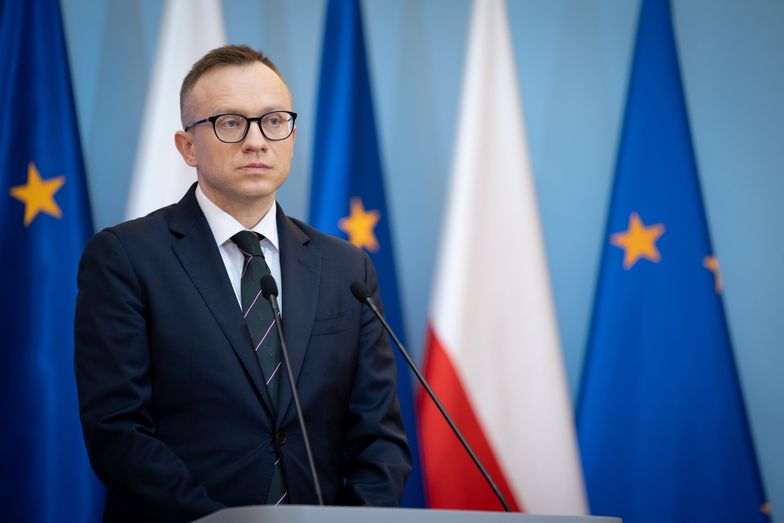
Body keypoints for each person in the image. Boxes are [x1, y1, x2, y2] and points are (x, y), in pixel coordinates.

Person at [74, 44, 411, 523]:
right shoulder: (125, 258)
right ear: (187, 145)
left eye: (274, 120)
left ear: (291, 136)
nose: (257, 141)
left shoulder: (346, 269)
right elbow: (119, 432)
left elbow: (379, 436)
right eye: (230, 123)